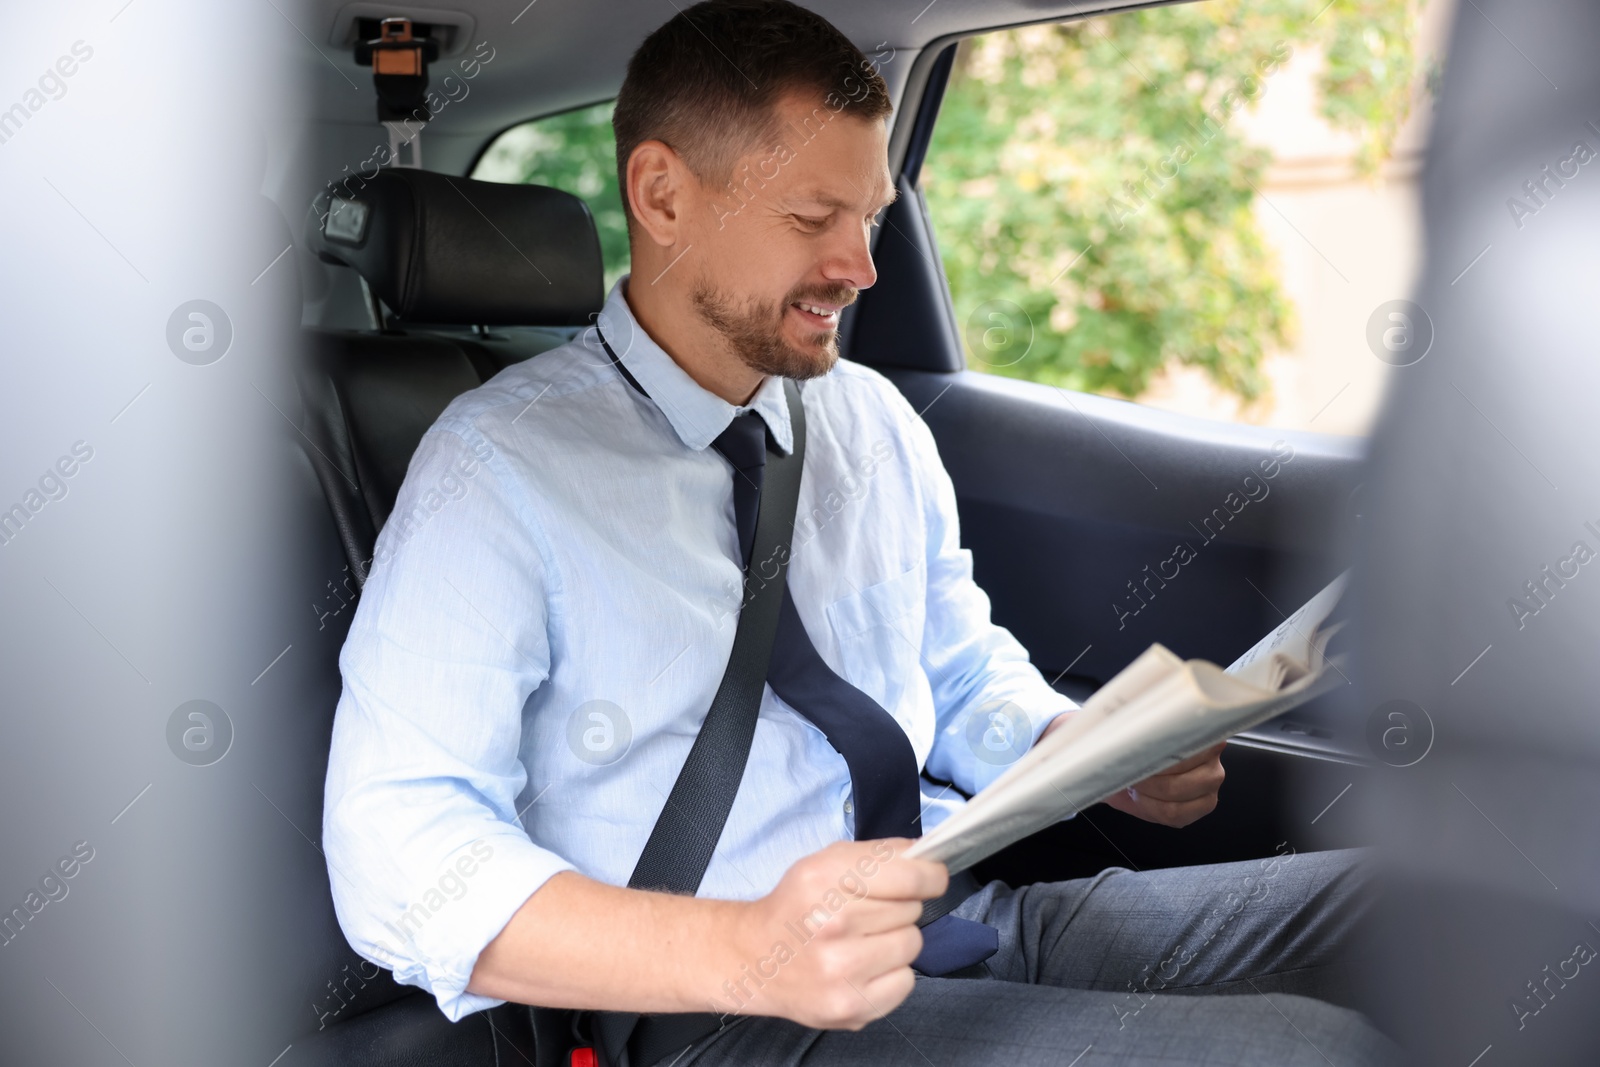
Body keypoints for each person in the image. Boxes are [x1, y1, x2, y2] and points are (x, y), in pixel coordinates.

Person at [323, 2, 1395, 1063]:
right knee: (1316, 1049)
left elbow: (959, 667)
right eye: (810, 218)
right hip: (731, 1013)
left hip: (952, 911)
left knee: (1421, 910)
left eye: (868, 215)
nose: (860, 265)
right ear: (661, 195)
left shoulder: (869, 419)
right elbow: (400, 856)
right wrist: (748, 945)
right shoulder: (496, 469)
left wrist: (1077, 750)